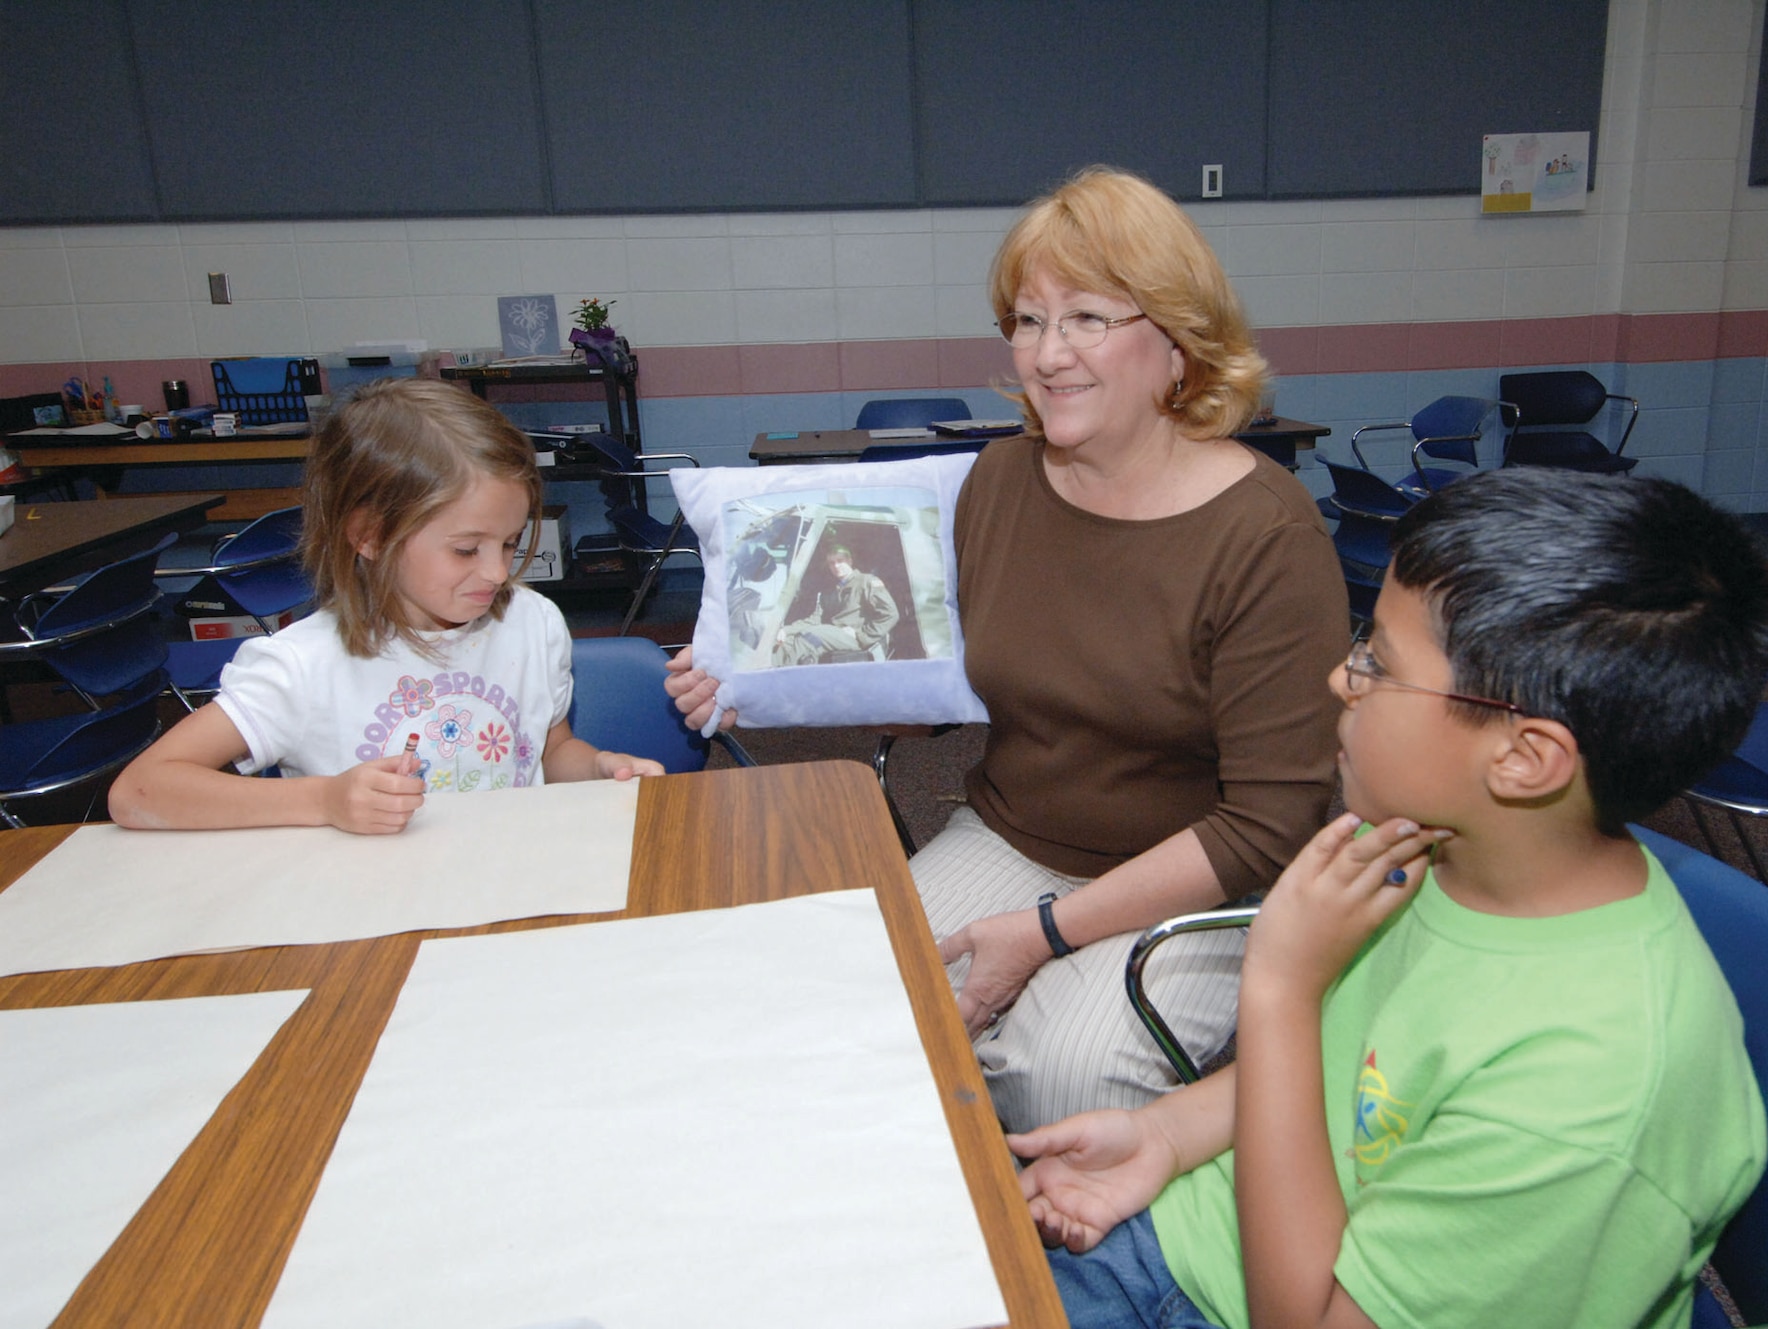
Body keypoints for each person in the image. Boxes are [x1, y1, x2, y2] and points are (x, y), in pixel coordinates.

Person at [1009, 469, 1768, 1329]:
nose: (1342, 678)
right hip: (1195, 1231)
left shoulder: (1590, 1089)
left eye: (1379, 661)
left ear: (1525, 759)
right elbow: (1351, 1076)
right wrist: (1165, 1135)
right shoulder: (1449, 850)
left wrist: (1279, 991)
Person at [670, 166, 1347, 1132]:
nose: (1047, 353)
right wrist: (766, 685)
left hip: (1202, 879)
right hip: (1013, 837)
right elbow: (948, 688)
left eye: (1085, 319)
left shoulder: (1265, 536)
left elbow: (1271, 825)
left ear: (1179, 341)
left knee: (1061, 1080)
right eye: (1027, 322)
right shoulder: (1001, 480)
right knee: (855, 1007)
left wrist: (1041, 937)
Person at [109, 377, 664, 835]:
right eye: (467, 549)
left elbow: (549, 749)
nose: (497, 572)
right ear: (370, 536)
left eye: (511, 542)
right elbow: (139, 791)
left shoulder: (533, 623)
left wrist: (595, 767)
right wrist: (326, 801)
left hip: (504, 889)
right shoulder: (304, 666)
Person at [770, 543, 899, 665]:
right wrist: (786, 631)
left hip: (854, 638)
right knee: (784, 642)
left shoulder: (866, 582)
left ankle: (788, 680)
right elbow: (815, 620)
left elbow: (890, 614)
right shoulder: (830, 590)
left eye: (840, 561)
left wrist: (861, 634)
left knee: (808, 638)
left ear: (850, 561)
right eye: (832, 563)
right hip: (833, 635)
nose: (836, 566)